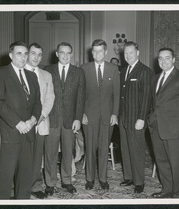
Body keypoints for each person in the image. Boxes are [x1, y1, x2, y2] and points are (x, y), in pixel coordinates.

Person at [0, 41, 42, 199]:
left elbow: (37, 103)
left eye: (25, 53)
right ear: (10, 55)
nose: (23, 57)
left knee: (25, 179)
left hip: (28, 134)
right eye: (19, 53)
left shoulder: (32, 75)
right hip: (10, 133)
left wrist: (34, 119)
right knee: (5, 180)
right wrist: (18, 123)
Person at [148, 47, 179, 198]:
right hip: (157, 128)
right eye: (160, 58)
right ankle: (167, 190)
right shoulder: (155, 78)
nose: (163, 61)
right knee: (162, 161)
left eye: (167, 58)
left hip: (176, 129)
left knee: (176, 163)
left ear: (174, 59)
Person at [43, 42, 85, 195]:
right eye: (62, 52)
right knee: (50, 153)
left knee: (68, 152)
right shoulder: (47, 70)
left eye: (68, 53)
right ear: (57, 53)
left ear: (71, 54)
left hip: (70, 120)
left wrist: (78, 118)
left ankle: (66, 181)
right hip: (51, 119)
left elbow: (81, 97)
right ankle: (50, 182)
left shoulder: (78, 72)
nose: (65, 56)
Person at [81, 39, 120, 190]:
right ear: (91, 53)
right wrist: (82, 113)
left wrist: (115, 114)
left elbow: (116, 94)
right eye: (94, 51)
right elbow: (81, 95)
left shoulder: (113, 69)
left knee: (104, 148)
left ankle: (103, 179)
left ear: (105, 52)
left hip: (107, 116)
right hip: (88, 116)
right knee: (90, 148)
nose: (97, 53)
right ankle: (90, 179)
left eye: (100, 51)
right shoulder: (84, 68)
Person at [118, 41, 153, 194]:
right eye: (125, 53)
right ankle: (129, 177)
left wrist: (142, 118)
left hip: (137, 119)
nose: (128, 56)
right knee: (125, 149)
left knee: (137, 150)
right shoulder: (124, 70)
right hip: (123, 118)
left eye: (131, 53)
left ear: (138, 53)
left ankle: (139, 181)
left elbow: (146, 97)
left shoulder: (145, 71)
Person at [25, 43, 55, 199]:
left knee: (37, 156)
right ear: (27, 54)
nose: (36, 57)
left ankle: (36, 186)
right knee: (22, 156)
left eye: (39, 54)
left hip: (40, 122)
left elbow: (50, 98)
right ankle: (20, 186)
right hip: (22, 124)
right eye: (33, 53)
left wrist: (41, 116)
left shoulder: (46, 75)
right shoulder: (20, 71)